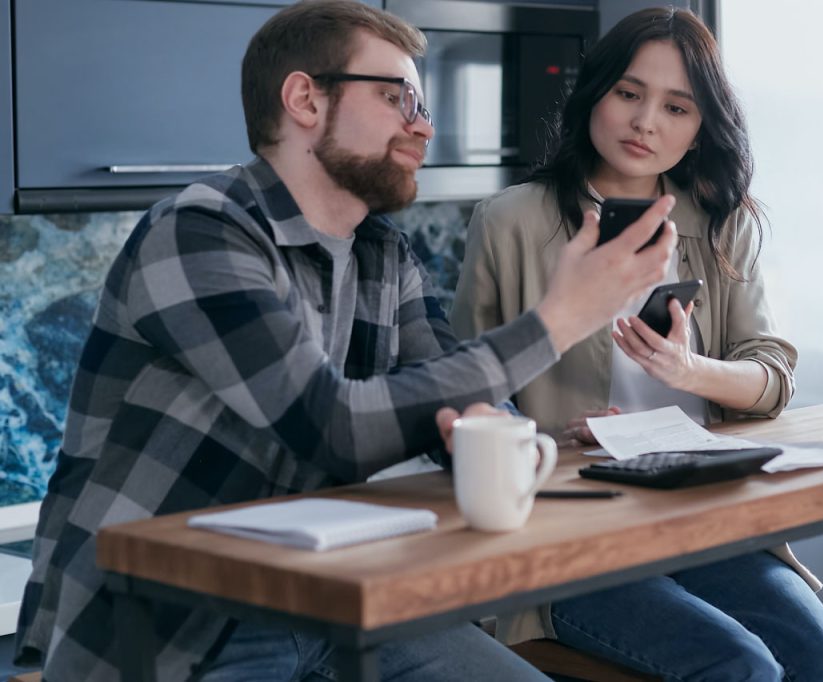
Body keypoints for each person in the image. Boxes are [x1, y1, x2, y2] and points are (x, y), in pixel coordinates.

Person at [13, 2, 680, 680]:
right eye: (399, 98)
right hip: (174, 620)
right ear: (305, 98)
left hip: (332, 593)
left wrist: (507, 431)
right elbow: (333, 424)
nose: (424, 126)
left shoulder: (382, 253)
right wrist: (562, 318)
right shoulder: (197, 232)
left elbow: (450, 383)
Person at [451, 7, 823, 681]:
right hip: (572, 542)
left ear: (701, 129)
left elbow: (772, 376)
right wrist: (550, 439)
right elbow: (467, 397)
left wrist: (691, 371)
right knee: (743, 668)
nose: (646, 122)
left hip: (704, 520)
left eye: (677, 107)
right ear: (595, 93)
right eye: (629, 93)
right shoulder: (510, 222)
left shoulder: (718, 222)